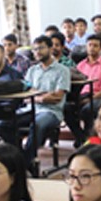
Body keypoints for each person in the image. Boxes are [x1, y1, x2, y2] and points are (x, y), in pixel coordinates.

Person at [21, 35, 71, 167]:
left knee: (38, 124)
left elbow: (57, 97)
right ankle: (18, 157)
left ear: (50, 48)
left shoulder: (62, 70)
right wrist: (43, 97)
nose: (37, 52)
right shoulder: (32, 70)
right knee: (5, 123)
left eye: (41, 48)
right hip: (30, 109)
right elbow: (25, 96)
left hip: (51, 112)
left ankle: (25, 163)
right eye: (35, 49)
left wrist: (35, 96)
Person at [74, 34, 101, 144]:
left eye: (95, 46)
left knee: (88, 108)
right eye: (90, 45)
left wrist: (91, 98)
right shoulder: (80, 65)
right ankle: (80, 136)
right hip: (80, 96)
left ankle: (89, 136)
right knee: (66, 109)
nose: (92, 48)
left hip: (98, 96)